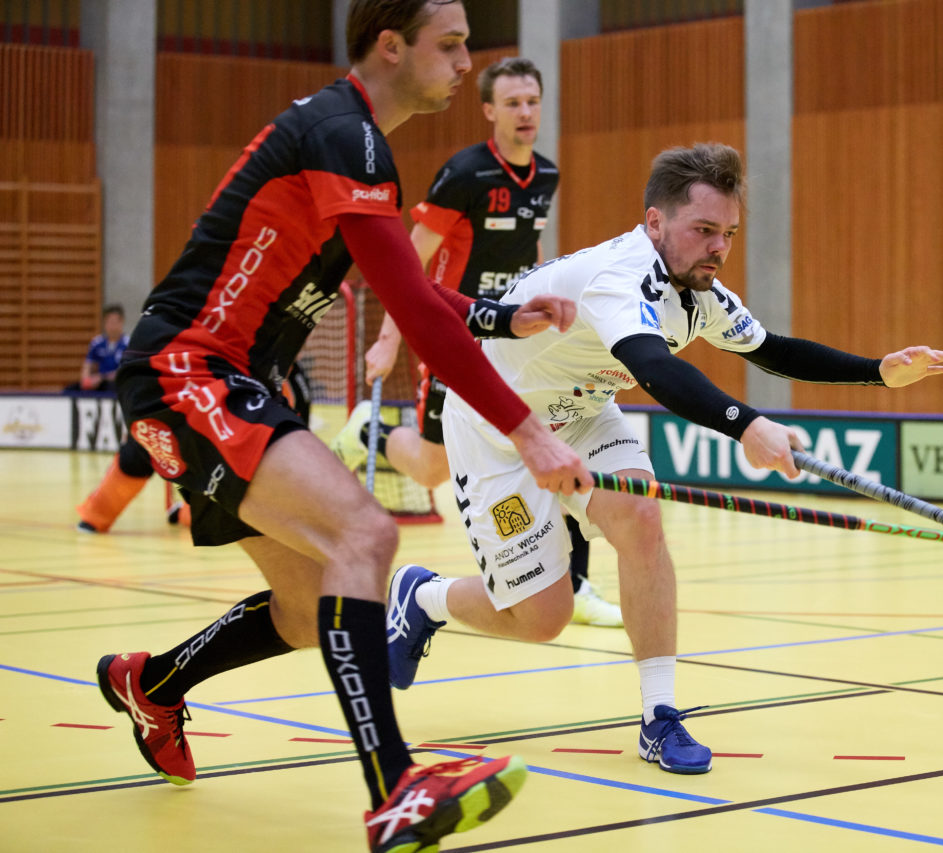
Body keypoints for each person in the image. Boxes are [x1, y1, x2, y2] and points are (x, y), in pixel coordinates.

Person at [94, 3, 590, 852]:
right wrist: (528, 431)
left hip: (227, 383)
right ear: (391, 46)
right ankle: (395, 790)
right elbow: (413, 314)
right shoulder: (342, 133)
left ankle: (155, 683)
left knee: (303, 604)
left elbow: (418, 289)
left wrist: (507, 320)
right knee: (364, 533)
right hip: (188, 373)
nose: (469, 62)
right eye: (452, 44)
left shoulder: (365, 152)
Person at [385, 142, 943, 775]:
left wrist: (878, 372)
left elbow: (773, 350)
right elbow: (653, 369)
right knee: (542, 619)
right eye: (705, 230)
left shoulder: (698, 291)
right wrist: (746, 426)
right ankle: (425, 600)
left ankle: (659, 717)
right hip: (497, 425)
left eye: (729, 234)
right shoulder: (618, 276)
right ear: (656, 222)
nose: (719, 248)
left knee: (643, 518)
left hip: (581, 412)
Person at [333, 56, 623, 627]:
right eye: (512, 103)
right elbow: (408, 265)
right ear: (489, 110)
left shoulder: (545, 175)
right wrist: (391, 342)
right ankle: (370, 428)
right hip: (454, 335)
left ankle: (577, 582)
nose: (525, 113)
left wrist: (545, 304)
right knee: (431, 472)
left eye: (533, 102)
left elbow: (530, 255)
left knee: (554, 439)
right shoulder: (464, 174)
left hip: (516, 340)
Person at [75, 364, 311, 533]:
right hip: (199, 417)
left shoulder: (293, 380)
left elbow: (292, 430)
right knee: (145, 442)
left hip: (241, 449)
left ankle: (188, 512)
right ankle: (97, 514)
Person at [68, 303, 127, 392]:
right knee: (70, 390)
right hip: (99, 384)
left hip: (117, 384)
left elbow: (125, 372)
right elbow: (88, 365)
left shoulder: (128, 344)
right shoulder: (97, 343)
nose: (112, 326)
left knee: (111, 386)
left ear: (121, 322)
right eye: (109, 322)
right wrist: (87, 380)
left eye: (115, 322)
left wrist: (102, 377)